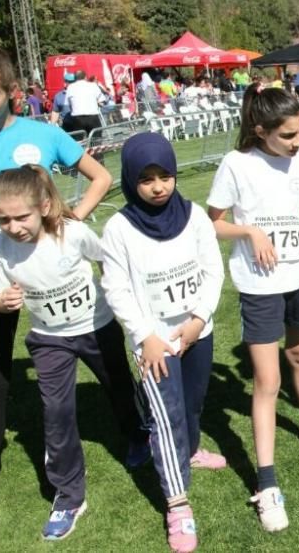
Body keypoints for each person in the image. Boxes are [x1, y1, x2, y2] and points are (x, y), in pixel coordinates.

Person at [0, 46, 112, 550]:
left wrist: (71, 219)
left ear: (10, 93)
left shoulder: (43, 134)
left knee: (101, 354)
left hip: (50, 268)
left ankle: (134, 431)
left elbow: (99, 176)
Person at [207, 85, 299, 532]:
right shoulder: (236, 164)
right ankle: (266, 484)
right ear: (261, 129)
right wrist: (249, 233)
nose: (297, 142)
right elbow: (214, 221)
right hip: (260, 286)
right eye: (288, 135)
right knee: (267, 381)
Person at [0, 165, 148, 542]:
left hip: (97, 327)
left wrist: (117, 291)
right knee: (55, 411)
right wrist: (3, 302)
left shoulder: (72, 233)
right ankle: (69, 494)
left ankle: (137, 434)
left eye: (21, 217)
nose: (13, 226)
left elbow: (106, 259)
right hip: (48, 338)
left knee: (119, 386)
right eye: (3, 219)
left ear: (42, 206)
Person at [101, 133, 226, 552]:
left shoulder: (195, 217)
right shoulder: (118, 228)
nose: (158, 186)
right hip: (154, 343)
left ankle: (189, 452)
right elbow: (116, 289)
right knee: (166, 416)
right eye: (146, 178)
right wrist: (145, 337)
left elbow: (212, 272)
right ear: (130, 179)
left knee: (192, 403)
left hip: (195, 332)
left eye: (165, 176)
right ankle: (177, 503)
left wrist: (198, 319)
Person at [63, 70, 107, 137]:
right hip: (92, 117)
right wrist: (96, 103)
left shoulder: (70, 87)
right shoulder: (93, 85)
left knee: (80, 141)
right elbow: (102, 100)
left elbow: (67, 104)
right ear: (85, 77)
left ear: (75, 78)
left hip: (77, 118)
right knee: (96, 140)